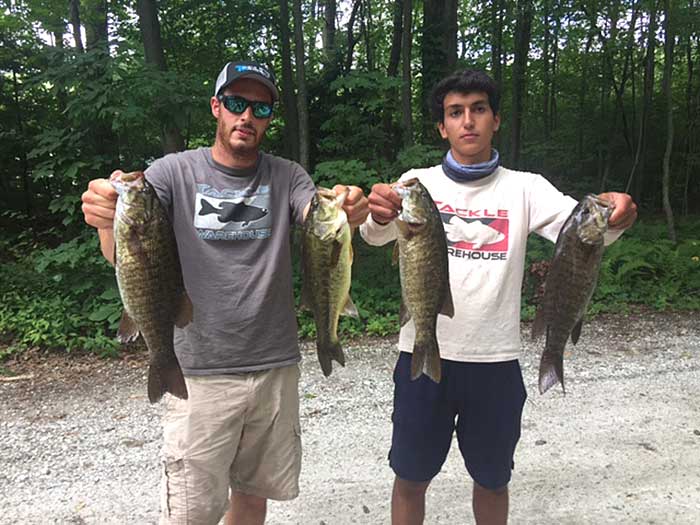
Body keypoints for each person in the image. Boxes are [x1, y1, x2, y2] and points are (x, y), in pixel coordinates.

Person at [81, 60, 369, 525]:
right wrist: (104, 211)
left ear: (269, 117)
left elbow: (317, 218)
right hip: (197, 370)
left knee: (253, 497)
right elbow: (128, 247)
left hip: (274, 366)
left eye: (260, 108)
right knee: (191, 513)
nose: (247, 116)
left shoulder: (287, 176)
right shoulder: (173, 173)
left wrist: (347, 207)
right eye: (236, 103)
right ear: (217, 107)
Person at [360, 69, 637, 525]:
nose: (467, 120)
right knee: (410, 476)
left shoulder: (525, 188)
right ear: (442, 127)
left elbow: (587, 235)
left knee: (492, 479)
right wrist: (377, 212)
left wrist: (621, 213)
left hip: (496, 362)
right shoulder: (417, 182)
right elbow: (374, 236)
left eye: (478, 109)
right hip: (423, 355)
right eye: (455, 112)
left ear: (495, 120)